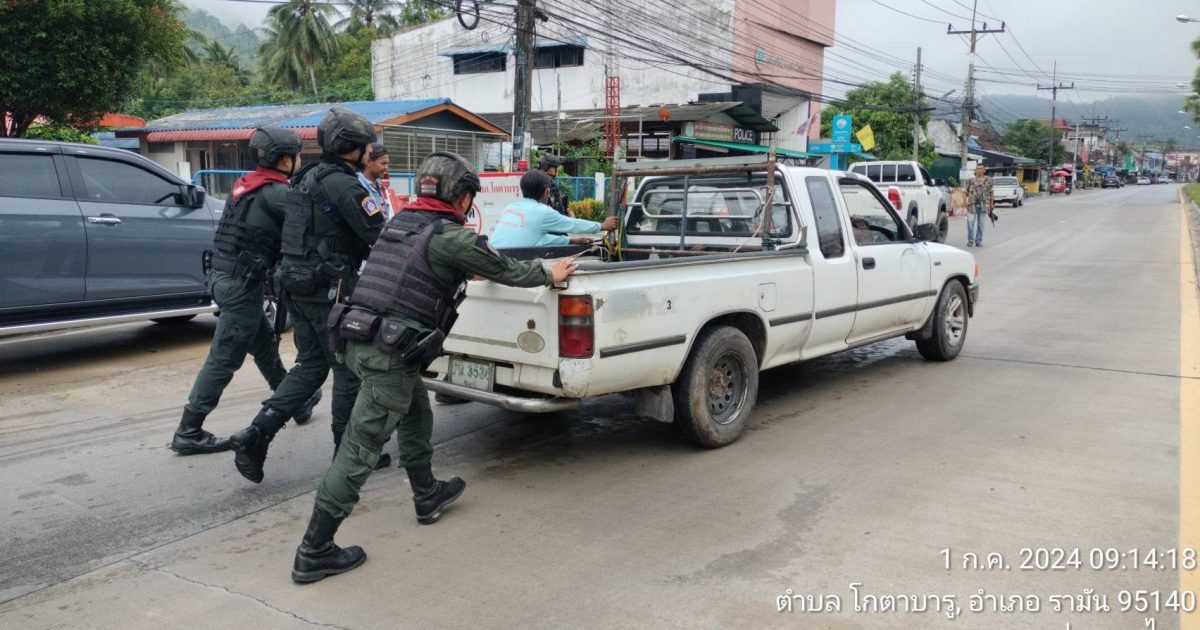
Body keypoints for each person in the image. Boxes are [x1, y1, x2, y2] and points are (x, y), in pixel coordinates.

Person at [289, 152, 579, 583]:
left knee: (416, 412)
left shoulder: (399, 224)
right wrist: (548, 273)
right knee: (360, 448)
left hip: (360, 337)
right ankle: (314, 550)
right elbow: (505, 269)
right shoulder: (450, 237)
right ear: (461, 197)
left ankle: (426, 493)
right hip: (387, 354)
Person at [229, 108, 385, 484]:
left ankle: (257, 433)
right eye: (367, 145)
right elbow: (380, 236)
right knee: (347, 369)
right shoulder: (345, 185)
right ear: (354, 147)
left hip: (294, 284)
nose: (370, 151)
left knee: (311, 365)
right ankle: (347, 453)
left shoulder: (305, 176)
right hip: (328, 289)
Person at [169, 127, 320, 455]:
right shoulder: (276, 193)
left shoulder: (246, 183)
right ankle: (189, 430)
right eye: (297, 155)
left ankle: (295, 402)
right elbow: (315, 222)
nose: (299, 160)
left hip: (224, 277)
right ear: (284, 159)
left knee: (263, 344)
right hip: (240, 284)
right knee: (224, 357)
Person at [489, 170, 618, 249]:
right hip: (512, 263)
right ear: (546, 191)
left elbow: (539, 239)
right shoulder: (542, 211)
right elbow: (573, 224)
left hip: (493, 258)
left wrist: (571, 241)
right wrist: (603, 226)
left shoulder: (510, 207)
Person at [357, 142, 393, 220]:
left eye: (387, 164)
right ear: (368, 162)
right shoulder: (358, 185)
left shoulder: (378, 186)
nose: (386, 167)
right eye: (383, 163)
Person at [965, 164, 994, 247]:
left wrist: (992, 203)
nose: (978, 170)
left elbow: (991, 192)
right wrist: (965, 201)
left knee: (981, 224)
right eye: (977, 169)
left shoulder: (988, 180)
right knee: (970, 222)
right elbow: (965, 192)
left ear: (984, 170)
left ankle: (978, 241)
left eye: (981, 169)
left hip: (984, 205)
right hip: (972, 205)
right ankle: (970, 240)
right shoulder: (971, 180)